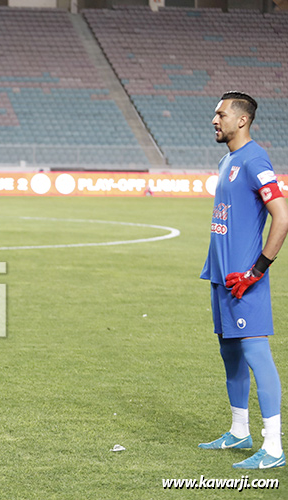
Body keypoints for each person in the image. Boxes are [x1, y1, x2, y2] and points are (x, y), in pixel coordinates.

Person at [199, 91, 288, 469]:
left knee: (255, 354)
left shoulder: (255, 160)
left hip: (244, 280)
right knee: (230, 353)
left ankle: (273, 447)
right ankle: (239, 431)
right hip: (221, 277)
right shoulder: (227, 160)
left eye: (221, 114)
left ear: (242, 120)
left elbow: (282, 217)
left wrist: (257, 271)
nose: (215, 120)